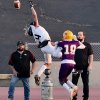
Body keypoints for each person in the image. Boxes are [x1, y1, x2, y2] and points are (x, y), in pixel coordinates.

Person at [25, 1, 62, 86]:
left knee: (48, 63)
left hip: (44, 48)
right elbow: (35, 16)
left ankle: (38, 75)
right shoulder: (35, 27)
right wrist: (31, 7)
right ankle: (73, 66)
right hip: (47, 46)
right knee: (60, 54)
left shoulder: (34, 33)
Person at [57, 30, 85, 100]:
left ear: (64, 36)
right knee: (65, 78)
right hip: (72, 64)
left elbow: (54, 44)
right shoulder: (75, 43)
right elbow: (83, 46)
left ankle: (70, 90)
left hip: (65, 63)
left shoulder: (61, 43)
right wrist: (75, 39)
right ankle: (74, 86)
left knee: (61, 80)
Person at [72, 31, 93, 100]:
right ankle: (74, 96)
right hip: (75, 67)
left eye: (80, 35)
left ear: (84, 36)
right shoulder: (74, 44)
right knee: (74, 83)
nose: (79, 36)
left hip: (85, 67)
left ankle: (86, 96)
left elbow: (91, 56)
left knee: (85, 83)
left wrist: (90, 65)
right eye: (78, 35)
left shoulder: (88, 45)